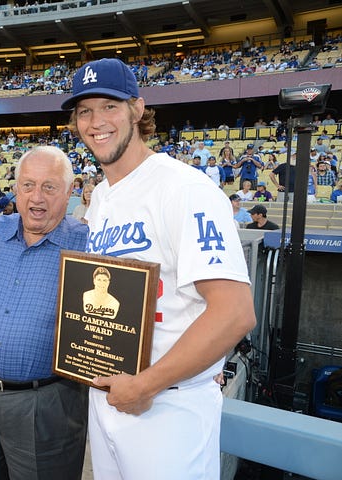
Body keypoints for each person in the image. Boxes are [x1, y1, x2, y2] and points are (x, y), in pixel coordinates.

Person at [63, 58, 255, 480]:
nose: (96, 121)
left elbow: (234, 312)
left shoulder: (184, 189)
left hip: (168, 405)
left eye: (109, 106)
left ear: (137, 108)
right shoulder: (101, 198)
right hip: (111, 395)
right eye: (84, 110)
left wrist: (146, 385)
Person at [0, 145, 89, 480]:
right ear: (15, 189)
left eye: (49, 187)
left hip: (45, 402)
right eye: (28, 185)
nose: (37, 198)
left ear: (70, 191)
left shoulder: (86, 245)